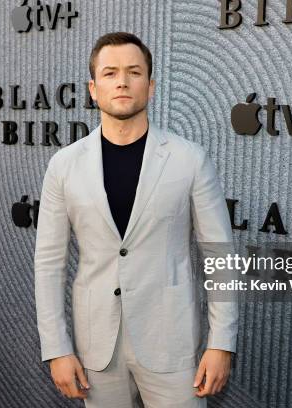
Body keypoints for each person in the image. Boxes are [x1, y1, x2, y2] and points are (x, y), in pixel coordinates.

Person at [34, 32, 238, 407]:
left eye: (134, 71)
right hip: (97, 347)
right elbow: (49, 263)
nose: (123, 81)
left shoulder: (189, 159)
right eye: (110, 73)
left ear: (151, 85)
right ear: (93, 89)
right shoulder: (64, 165)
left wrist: (221, 342)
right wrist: (57, 348)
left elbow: (219, 257)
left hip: (172, 343)